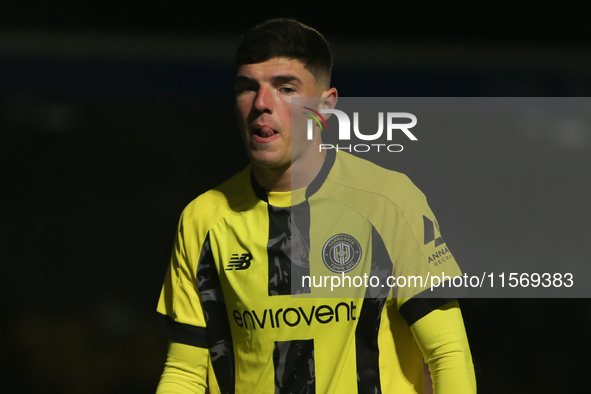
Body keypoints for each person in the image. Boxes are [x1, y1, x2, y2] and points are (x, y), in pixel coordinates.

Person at [155, 18, 476, 394]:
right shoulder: (203, 218)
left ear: (325, 107)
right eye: (247, 88)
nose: (261, 104)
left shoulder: (388, 200)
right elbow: (185, 372)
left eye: (285, 88)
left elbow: (448, 352)